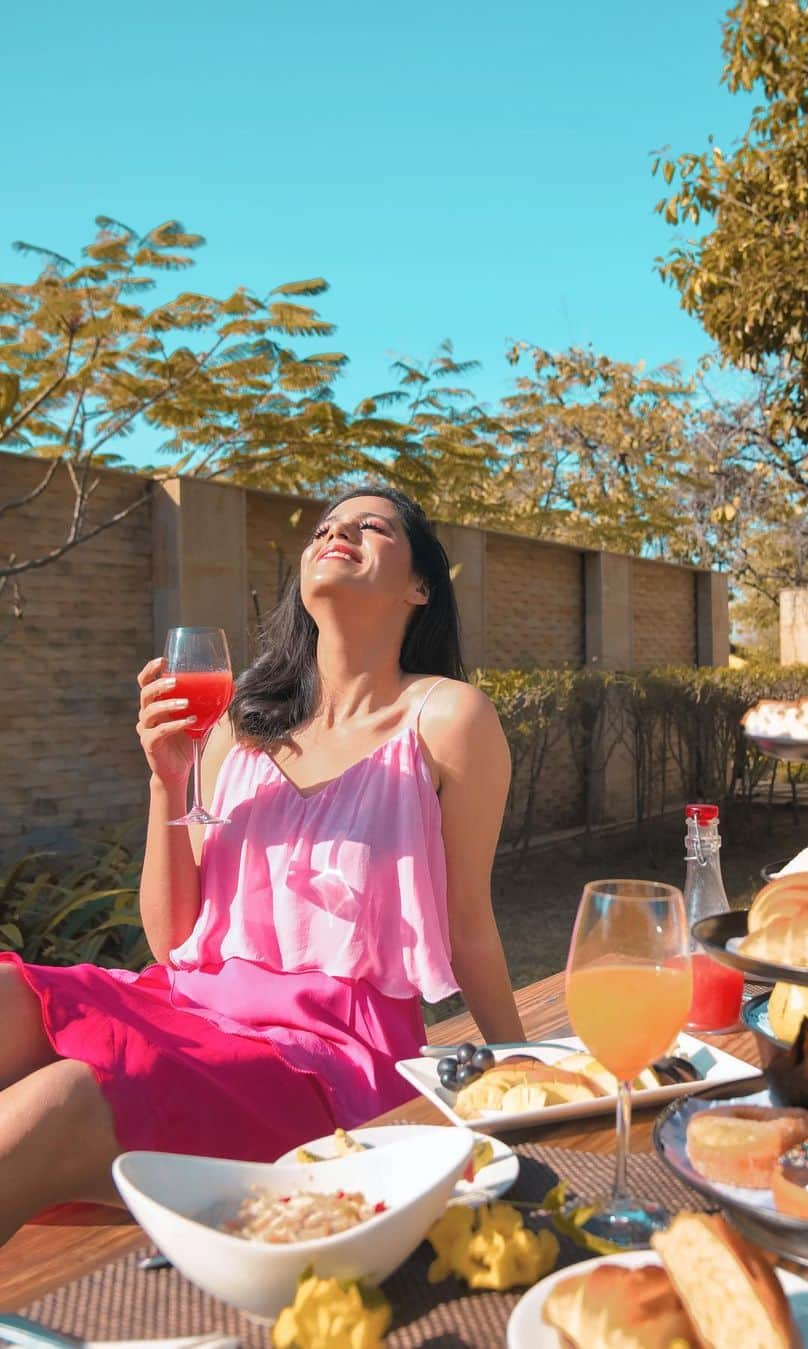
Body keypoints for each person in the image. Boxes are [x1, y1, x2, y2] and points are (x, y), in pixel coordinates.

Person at [0, 485, 524, 1243]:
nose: (337, 533)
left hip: (329, 1060)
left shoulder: (446, 720)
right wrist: (166, 779)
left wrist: (523, 1079)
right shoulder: (241, 726)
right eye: (325, 527)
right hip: (186, 1011)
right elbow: (170, 938)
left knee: (71, 1099)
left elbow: (469, 926)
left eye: (369, 526)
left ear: (420, 586)